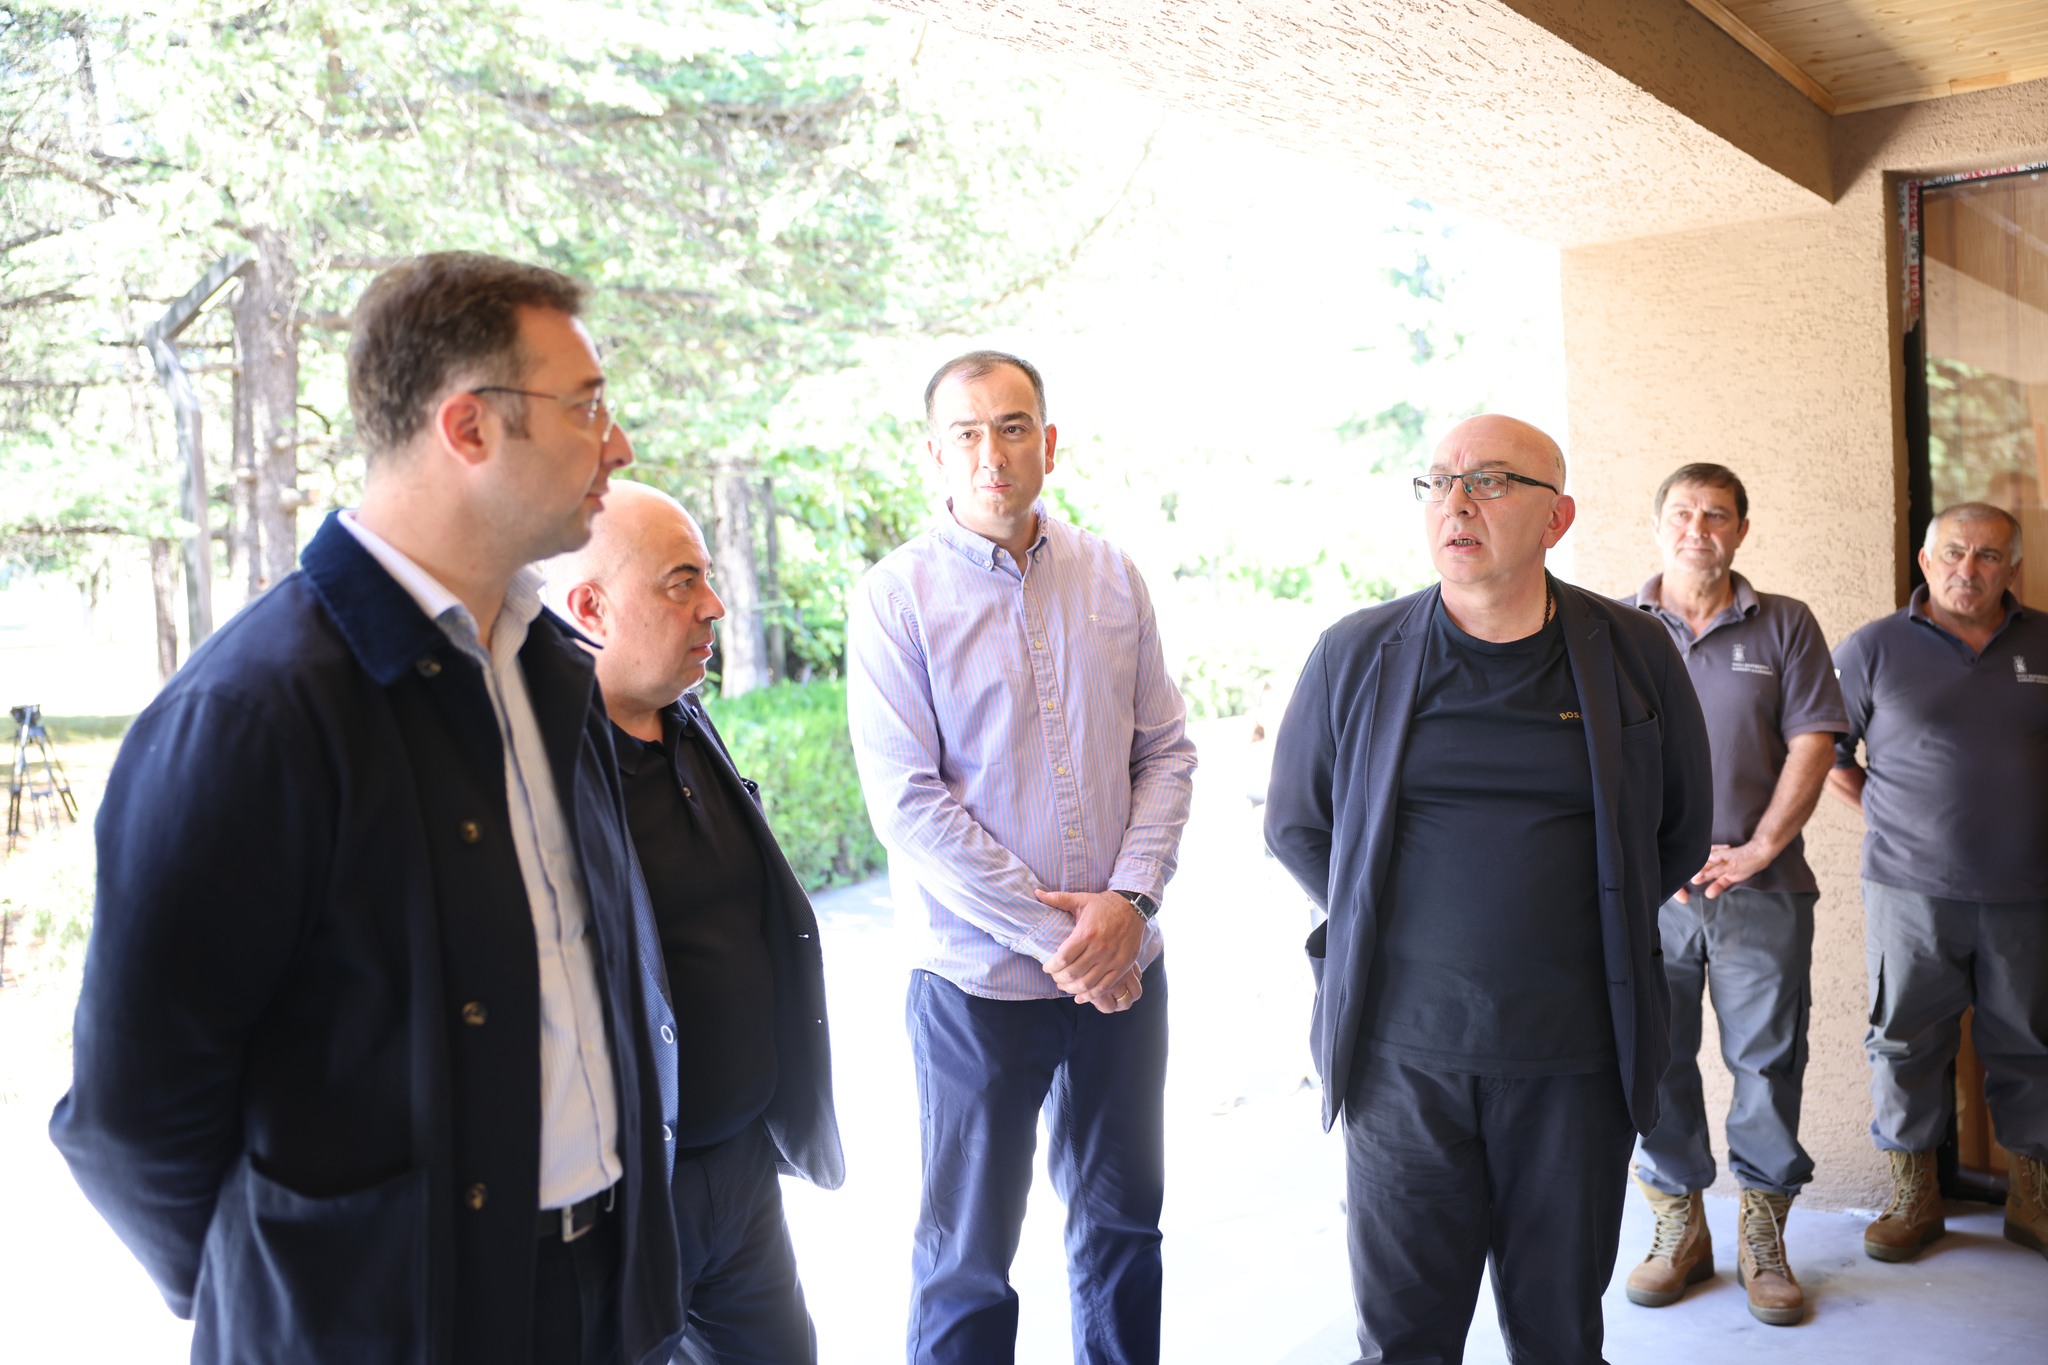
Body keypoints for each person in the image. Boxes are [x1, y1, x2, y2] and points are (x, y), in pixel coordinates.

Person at [50, 252, 685, 1365]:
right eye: (586, 406)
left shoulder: (546, 667)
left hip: (591, 1296)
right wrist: (289, 1284)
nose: (617, 443)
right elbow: (132, 1115)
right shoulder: (251, 713)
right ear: (468, 427)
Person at [1264, 415, 1712, 1363]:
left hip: (1576, 1061)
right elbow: (1298, 825)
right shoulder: (1357, 652)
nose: (1456, 502)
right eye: (1438, 481)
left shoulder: (1633, 651)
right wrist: (1393, 926)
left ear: (1558, 518)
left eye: (1491, 481)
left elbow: (1675, 829)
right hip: (1402, 1063)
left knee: (1559, 1335)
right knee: (1403, 1338)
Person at [845, 350, 1197, 1364]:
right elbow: (908, 805)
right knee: (966, 1263)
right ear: (934, 456)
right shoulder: (895, 598)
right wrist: (1068, 939)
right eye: (966, 433)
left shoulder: (1112, 574)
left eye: (1010, 428)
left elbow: (1165, 751)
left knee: (1123, 1233)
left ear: (1047, 443)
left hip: (1125, 976)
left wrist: (1130, 903)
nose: (990, 453)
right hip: (976, 988)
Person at [546, 481, 844, 1361]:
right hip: (628, 1205)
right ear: (590, 608)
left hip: (743, 1176)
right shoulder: (541, 774)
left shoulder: (685, 715)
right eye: (682, 583)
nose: (713, 605)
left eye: (707, 577)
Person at [1617, 463, 1846, 1325]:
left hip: (1765, 886)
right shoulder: (1612, 628)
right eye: (1681, 512)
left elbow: (1815, 738)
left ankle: (1764, 1237)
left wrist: (1759, 848)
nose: (1697, 528)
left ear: (1741, 530)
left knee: (1768, 1062)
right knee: (1656, 1056)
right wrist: (1652, 855)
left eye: (1716, 514)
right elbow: (1593, 755)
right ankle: (1679, 1226)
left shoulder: (1785, 623)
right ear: (1657, 525)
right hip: (1653, 894)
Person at [1827, 502, 2048, 1265]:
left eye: (1988, 555)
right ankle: (1913, 1196)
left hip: (2028, 889)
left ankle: (2031, 1195)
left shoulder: (2044, 640)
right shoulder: (1873, 648)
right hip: (1909, 890)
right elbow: (1827, 752)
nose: (1968, 569)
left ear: (2013, 568)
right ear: (1925, 561)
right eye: (1953, 552)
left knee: (2029, 1041)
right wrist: (1891, 818)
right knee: (1905, 1040)